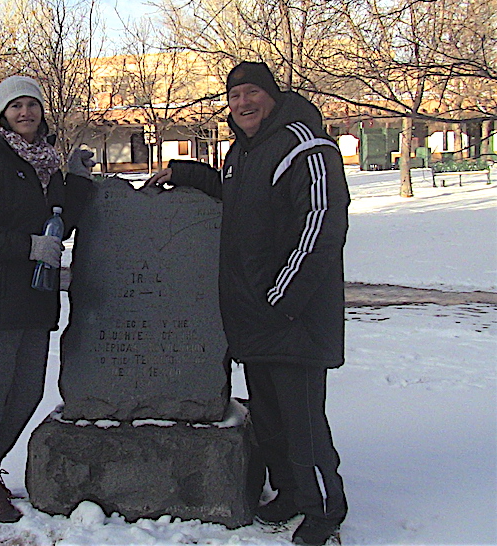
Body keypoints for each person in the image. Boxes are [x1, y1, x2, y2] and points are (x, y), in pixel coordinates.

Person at [146, 61, 350, 546]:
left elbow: (324, 223)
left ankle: (325, 510)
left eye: (251, 93)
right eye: (235, 96)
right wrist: (186, 173)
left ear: (272, 97)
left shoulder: (307, 146)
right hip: (256, 315)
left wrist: (284, 296)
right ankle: (290, 492)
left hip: (293, 316)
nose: (242, 104)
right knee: (271, 416)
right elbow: (234, 195)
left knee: (303, 421)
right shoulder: (243, 152)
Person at [0, 75, 95, 523]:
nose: (25, 112)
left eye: (31, 104)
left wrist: (78, 180)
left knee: (26, 392)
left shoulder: (42, 162)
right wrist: (25, 247)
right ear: (2, 114)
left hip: (34, 297)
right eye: (15, 106)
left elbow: (60, 222)